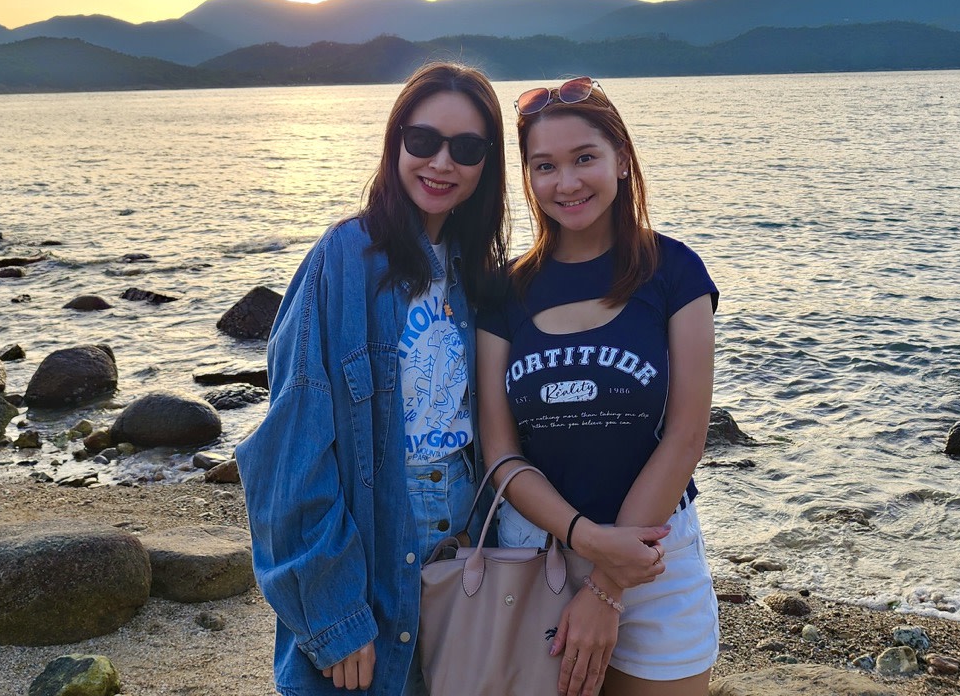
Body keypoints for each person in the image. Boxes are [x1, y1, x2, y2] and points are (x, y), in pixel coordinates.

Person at [236, 62, 509, 696]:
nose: (441, 162)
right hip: (374, 535)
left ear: (487, 164)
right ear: (396, 143)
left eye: (466, 148)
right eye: (423, 140)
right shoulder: (343, 259)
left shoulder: (477, 273)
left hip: (467, 538)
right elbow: (290, 446)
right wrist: (333, 612)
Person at [477, 76, 719, 696]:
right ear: (528, 177)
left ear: (622, 159)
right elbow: (501, 452)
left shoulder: (673, 271)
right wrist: (586, 539)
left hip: (655, 559)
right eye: (545, 166)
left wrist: (608, 586)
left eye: (584, 158)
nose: (567, 182)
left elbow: (686, 436)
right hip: (536, 559)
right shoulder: (505, 291)